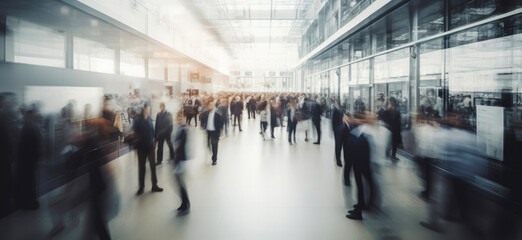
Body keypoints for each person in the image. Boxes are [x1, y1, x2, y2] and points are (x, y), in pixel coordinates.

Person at [345, 112, 375, 221]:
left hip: (361, 162)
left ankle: (359, 211)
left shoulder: (363, 130)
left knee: (361, 185)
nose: (356, 121)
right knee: (364, 185)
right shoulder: (368, 129)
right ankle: (361, 205)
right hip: (364, 162)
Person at [133, 104, 163, 195]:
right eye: (147, 109)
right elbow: (134, 133)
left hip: (150, 147)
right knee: (142, 168)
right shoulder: (138, 120)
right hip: (141, 148)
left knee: (153, 167)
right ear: (143, 110)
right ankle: (141, 187)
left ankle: (154, 185)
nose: (148, 111)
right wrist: (135, 147)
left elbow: (153, 131)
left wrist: (155, 139)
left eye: (149, 109)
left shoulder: (150, 119)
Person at [15, 106, 41, 210]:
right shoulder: (30, 127)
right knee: (29, 181)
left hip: (27, 160)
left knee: (28, 181)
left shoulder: (27, 126)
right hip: (29, 160)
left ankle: (28, 202)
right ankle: (30, 203)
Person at [173, 111, 190, 216]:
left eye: (182, 118)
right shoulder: (179, 128)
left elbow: (180, 145)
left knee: (180, 183)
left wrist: (176, 159)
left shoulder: (184, 129)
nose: (180, 119)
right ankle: (184, 203)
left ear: (185, 118)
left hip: (180, 159)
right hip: (177, 158)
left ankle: (186, 204)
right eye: (178, 117)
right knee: (179, 182)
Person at [331, 98, 346, 167]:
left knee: (340, 144)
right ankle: (338, 160)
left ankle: (338, 158)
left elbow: (342, 116)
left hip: (341, 127)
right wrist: (333, 129)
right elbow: (332, 120)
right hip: (336, 128)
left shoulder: (340, 108)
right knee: (338, 144)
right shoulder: (334, 109)